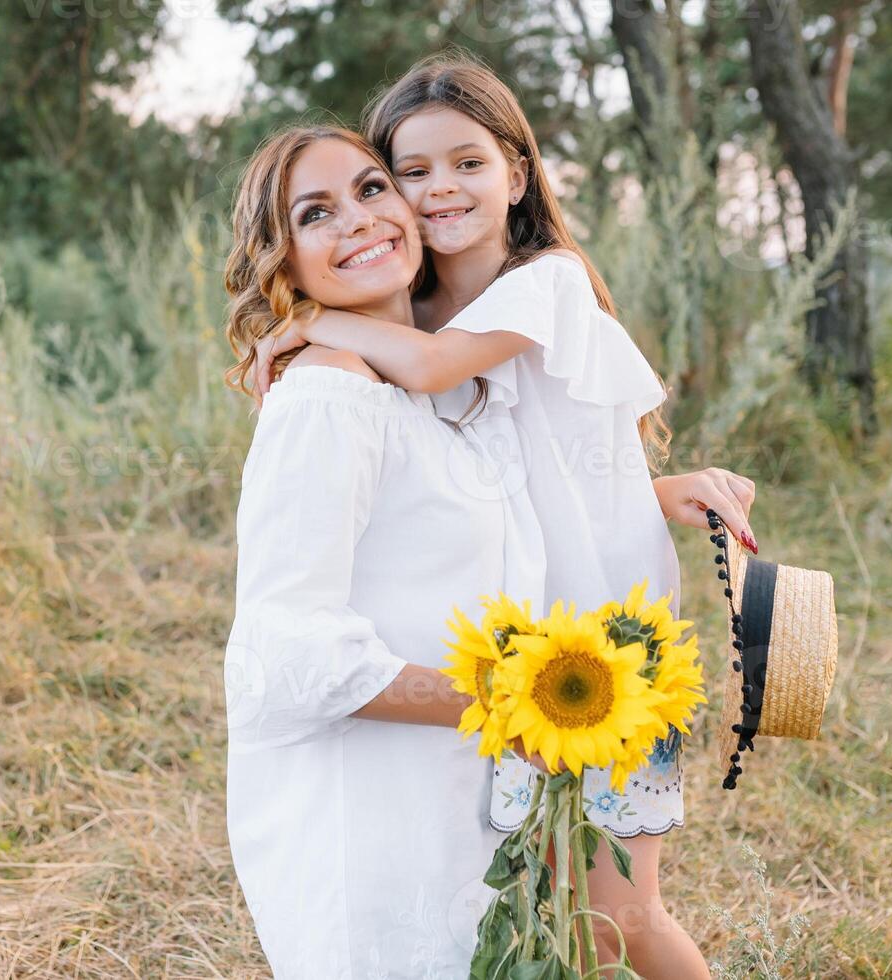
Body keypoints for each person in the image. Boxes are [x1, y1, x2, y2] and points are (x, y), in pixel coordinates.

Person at [252, 53, 759, 978]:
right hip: (535, 645)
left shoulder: (540, 282)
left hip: (613, 646)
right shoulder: (419, 316)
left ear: (518, 174)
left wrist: (310, 324)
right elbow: (519, 483)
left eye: (469, 163)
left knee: (622, 917)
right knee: (552, 904)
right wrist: (657, 491)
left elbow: (438, 375)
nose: (439, 189)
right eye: (412, 173)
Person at [222, 123, 551, 978]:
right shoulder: (327, 395)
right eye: (317, 213)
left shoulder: (423, 391)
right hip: (367, 821)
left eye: (372, 189)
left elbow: (505, 524)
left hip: (452, 804)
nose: (361, 220)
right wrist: (507, 705)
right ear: (283, 261)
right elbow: (290, 650)